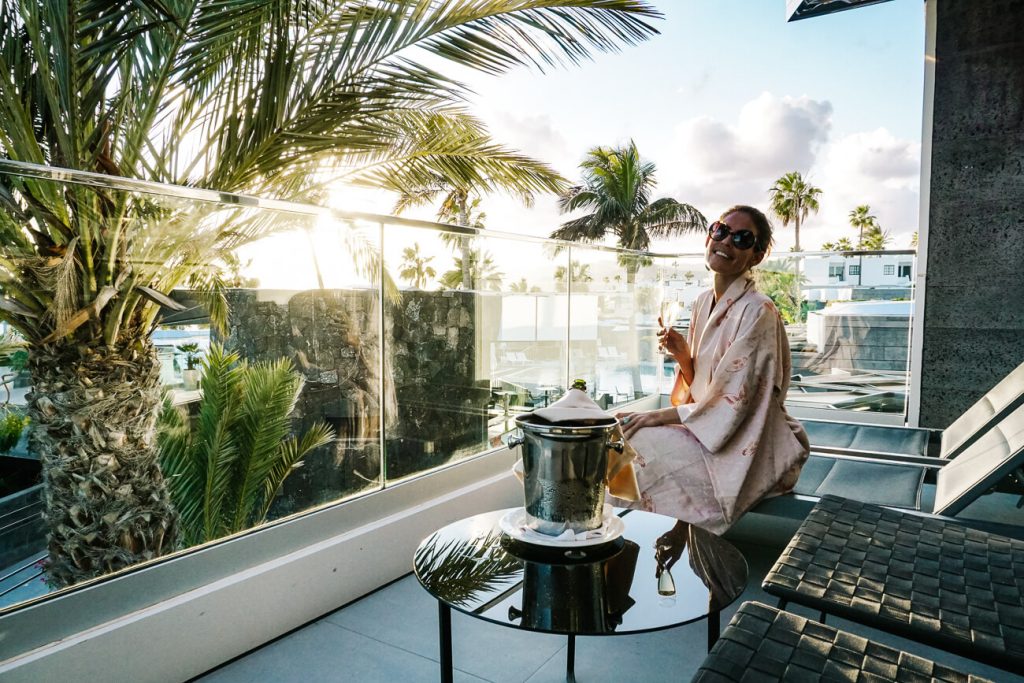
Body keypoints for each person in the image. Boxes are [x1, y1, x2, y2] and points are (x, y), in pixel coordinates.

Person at [614, 205, 809, 535]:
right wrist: (684, 357)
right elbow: (706, 392)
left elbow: (735, 404)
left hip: (748, 444)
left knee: (635, 443)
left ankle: (634, 538)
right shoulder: (704, 301)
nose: (726, 241)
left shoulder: (758, 310)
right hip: (708, 430)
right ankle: (611, 536)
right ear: (709, 236)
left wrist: (656, 416)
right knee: (616, 434)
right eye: (720, 230)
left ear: (757, 256)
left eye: (742, 238)